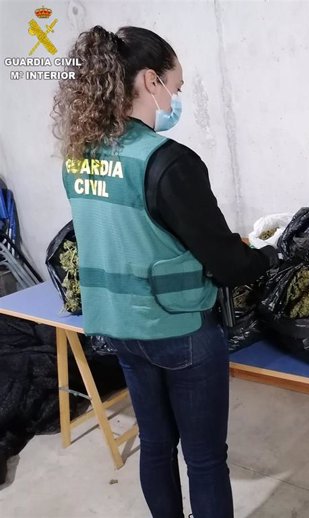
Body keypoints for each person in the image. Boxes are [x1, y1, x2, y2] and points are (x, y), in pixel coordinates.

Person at [52, 25, 277, 518]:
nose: (176, 97)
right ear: (150, 81)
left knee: (156, 445)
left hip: (119, 329)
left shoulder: (79, 157)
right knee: (203, 458)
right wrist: (268, 254)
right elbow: (225, 262)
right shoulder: (167, 161)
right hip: (180, 330)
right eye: (176, 86)